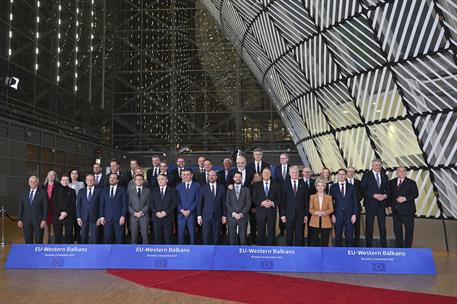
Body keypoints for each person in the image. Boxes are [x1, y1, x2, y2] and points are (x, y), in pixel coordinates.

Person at [361, 159, 390, 247]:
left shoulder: (384, 176)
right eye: (376, 165)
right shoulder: (366, 176)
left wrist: (384, 195)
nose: (378, 167)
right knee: (369, 224)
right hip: (370, 203)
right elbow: (362, 189)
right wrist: (374, 195)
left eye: (379, 165)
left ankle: (383, 245)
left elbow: (388, 190)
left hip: (381, 204)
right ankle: (369, 244)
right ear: (372, 166)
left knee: (382, 225)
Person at [389, 166, 419, 248]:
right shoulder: (392, 182)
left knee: (409, 231)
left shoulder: (411, 182)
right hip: (396, 211)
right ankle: (400, 249)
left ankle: (407, 249)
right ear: (397, 173)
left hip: (408, 211)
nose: (401, 173)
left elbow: (415, 194)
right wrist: (388, 206)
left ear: (406, 172)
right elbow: (390, 195)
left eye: (403, 171)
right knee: (397, 231)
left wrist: (405, 198)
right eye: (399, 171)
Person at [280, 166, 309, 246]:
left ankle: (298, 253)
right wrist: (282, 214)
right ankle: (289, 252)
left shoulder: (304, 184)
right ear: (289, 173)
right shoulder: (285, 184)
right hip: (288, 214)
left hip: (300, 214)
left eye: (296, 172)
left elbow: (306, 201)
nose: (295, 174)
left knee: (299, 235)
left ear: (298, 173)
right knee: (289, 235)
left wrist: (306, 214)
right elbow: (283, 200)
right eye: (292, 172)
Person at [252, 168, 280, 246]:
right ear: (262, 175)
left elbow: (279, 198)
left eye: (268, 173)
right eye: (264, 173)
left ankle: (270, 248)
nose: (266, 174)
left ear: (271, 174)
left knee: (271, 231)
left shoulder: (276, 185)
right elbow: (254, 198)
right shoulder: (257, 185)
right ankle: (261, 248)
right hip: (260, 211)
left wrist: (273, 203)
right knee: (261, 232)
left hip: (271, 211)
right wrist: (261, 203)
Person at [330, 169, 358, 247]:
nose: (341, 176)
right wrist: (332, 214)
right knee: (338, 236)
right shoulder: (333, 187)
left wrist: (354, 214)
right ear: (337, 175)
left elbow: (355, 202)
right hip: (337, 215)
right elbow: (330, 202)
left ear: (346, 175)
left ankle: (349, 255)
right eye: (340, 174)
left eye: (343, 174)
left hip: (349, 216)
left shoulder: (351, 187)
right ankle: (337, 256)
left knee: (349, 237)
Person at [197, 170, 226, 245]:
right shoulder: (203, 187)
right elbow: (200, 203)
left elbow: (223, 203)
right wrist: (199, 216)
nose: (211, 177)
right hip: (206, 216)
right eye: (209, 175)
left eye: (213, 175)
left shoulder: (222, 187)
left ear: (216, 177)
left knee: (216, 235)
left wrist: (224, 216)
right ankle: (206, 251)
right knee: (205, 235)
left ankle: (215, 251)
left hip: (218, 215)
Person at [17, 175, 47, 244]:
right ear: (28, 183)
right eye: (31, 182)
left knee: (39, 240)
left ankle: (38, 255)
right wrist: (19, 219)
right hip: (26, 220)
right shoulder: (23, 192)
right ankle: (29, 254)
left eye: (35, 182)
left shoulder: (43, 192)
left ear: (37, 183)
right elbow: (20, 207)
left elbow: (45, 207)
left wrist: (44, 220)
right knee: (28, 240)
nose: (33, 183)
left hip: (38, 220)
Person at [149, 174, 178, 244]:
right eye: (159, 179)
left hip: (168, 218)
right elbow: (150, 203)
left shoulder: (172, 190)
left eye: (162, 179)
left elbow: (174, 203)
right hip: (156, 218)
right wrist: (156, 212)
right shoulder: (154, 190)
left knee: (168, 238)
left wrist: (165, 212)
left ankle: (168, 254)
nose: (160, 181)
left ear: (167, 180)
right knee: (157, 238)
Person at [99, 173, 128, 244]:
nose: (112, 179)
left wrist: (123, 216)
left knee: (119, 238)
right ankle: (108, 254)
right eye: (111, 178)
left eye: (114, 178)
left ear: (117, 180)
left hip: (119, 218)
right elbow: (102, 205)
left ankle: (119, 254)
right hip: (107, 219)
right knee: (107, 238)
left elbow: (125, 204)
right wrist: (101, 217)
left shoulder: (122, 190)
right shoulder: (104, 190)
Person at [226, 172, 251, 245]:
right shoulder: (229, 189)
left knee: (243, 239)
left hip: (243, 217)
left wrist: (241, 214)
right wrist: (234, 213)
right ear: (233, 178)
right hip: (232, 217)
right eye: (236, 177)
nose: (237, 178)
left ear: (241, 178)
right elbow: (227, 203)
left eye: (239, 177)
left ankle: (243, 255)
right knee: (232, 238)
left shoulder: (246, 189)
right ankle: (232, 255)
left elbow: (248, 203)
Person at [176, 169, 200, 244]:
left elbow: (197, 200)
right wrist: (182, 210)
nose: (186, 176)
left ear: (192, 175)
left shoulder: (197, 186)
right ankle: (181, 252)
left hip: (192, 214)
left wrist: (189, 211)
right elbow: (176, 201)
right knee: (180, 235)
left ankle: (193, 251)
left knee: (192, 235)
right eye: (184, 174)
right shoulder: (178, 186)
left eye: (188, 174)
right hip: (181, 214)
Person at [76, 174, 101, 244]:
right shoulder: (81, 191)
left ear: (94, 181)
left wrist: (100, 217)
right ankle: (84, 253)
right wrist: (78, 217)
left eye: (91, 180)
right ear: (85, 181)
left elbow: (101, 205)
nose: (90, 181)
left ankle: (95, 253)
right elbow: (78, 205)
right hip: (83, 218)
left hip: (95, 218)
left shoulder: (99, 191)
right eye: (88, 180)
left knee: (95, 237)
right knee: (83, 237)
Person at [308, 180, 333, 246]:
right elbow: (310, 209)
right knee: (315, 241)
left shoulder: (329, 197)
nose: (320, 187)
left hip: (325, 221)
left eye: (322, 186)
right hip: (314, 221)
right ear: (316, 187)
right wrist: (315, 212)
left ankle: (325, 255)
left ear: (324, 187)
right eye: (318, 186)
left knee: (325, 241)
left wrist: (324, 213)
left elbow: (331, 209)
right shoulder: (312, 197)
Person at [42, 171, 64, 243]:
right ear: (47, 176)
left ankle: (57, 244)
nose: (51, 176)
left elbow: (61, 199)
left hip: (55, 210)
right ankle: (47, 242)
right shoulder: (43, 186)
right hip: (46, 209)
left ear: (55, 177)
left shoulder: (59, 186)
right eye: (50, 175)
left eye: (53, 175)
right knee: (46, 227)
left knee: (56, 228)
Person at [128, 174, 150, 244]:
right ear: (134, 181)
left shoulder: (148, 191)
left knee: (145, 237)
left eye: (140, 179)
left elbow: (149, 204)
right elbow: (128, 205)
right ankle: (133, 253)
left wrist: (141, 213)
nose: (138, 181)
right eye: (137, 179)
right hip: (133, 217)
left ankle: (145, 253)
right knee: (134, 237)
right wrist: (134, 213)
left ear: (143, 181)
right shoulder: (130, 191)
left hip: (144, 216)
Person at [273, 152, 290, 237]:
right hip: (279, 194)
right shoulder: (277, 168)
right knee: (281, 212)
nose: (281, 160)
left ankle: (289, 230)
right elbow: (275, 181)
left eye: (283, 158)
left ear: (287, 159)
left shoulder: (291, 168)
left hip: (290, 195)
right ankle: (282, 231)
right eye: (280, 158)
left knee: (289, 212)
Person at [56, 174, 76, 244]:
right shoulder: (55, 190)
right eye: (63, 180)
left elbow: (73, 204)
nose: (65, 181)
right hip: (58, 215)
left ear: (69, 181)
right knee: (58, 235)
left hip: (69, 215)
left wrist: (65, 213)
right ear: (60, 181)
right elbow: (54, 204)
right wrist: (60, 212)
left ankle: (69, 252)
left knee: (69, 235)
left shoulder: (72, 191)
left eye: (67, 180)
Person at [346, 167, 363, 246]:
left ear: (354, 173)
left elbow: (362, 194)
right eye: (349, 171)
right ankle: (348, 244)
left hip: (357, 207)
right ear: (347, 172)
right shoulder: (343, 182)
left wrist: (354, 200)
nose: (351, 173)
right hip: (346, 208)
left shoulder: (359, 182)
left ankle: (357, 244)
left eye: (353, 172)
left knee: (357, 226)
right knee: (347, 226)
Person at [248, 173, 261, 245]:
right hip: (253, 210)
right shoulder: (250, 186)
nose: (256, 178)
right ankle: (253, 241)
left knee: (260, 227)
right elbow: (250, 198)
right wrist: (253, 207)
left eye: (257, 177)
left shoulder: (262, 185)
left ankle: (260, 241)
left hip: (261, 209)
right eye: (254, 177)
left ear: (260, 178)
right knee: (253, 226)